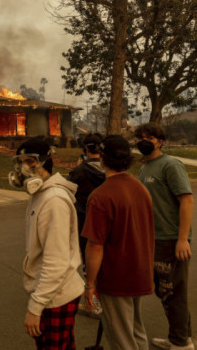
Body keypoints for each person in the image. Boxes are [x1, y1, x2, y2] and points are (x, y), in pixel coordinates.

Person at [9, 137, 84, 350]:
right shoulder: (40, 195)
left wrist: (36, 307)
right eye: (20, 162)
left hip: (56, 297)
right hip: (53, 293)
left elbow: (56, 261)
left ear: (46, 162)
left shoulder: (53, 200)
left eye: (31, 162)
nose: (24, 168)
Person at [82, 135, 154, 349]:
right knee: (136, 331)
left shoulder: (101, 196)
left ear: (102, 158)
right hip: (140, 271)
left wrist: (90, 284)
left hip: (116, 278)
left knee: (122, 339)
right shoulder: (140, 188)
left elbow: (95, 246)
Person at [135, 123, 194, 350]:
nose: (144, 141)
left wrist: (182, 239)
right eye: (140, 137)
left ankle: (181, 343)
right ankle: (180, 338)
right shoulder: (144, 167)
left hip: (170, 239)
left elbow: (187, 200)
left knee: (172, 292)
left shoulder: (170, 165)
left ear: (160, 141)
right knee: (166, 291)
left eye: (149, 137)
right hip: (153, 238)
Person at [67, 133, 106, 264]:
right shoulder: (109, 170)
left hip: (84, 219)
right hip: (105, 218)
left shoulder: (79, 171)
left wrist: (77, 168)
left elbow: (69, 190)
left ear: (86, 149)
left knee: (88, 254)